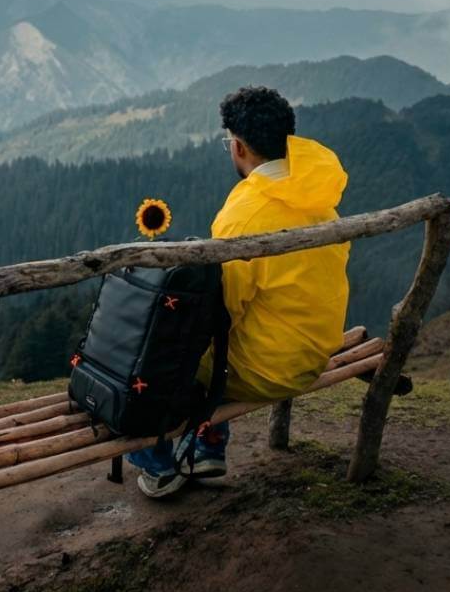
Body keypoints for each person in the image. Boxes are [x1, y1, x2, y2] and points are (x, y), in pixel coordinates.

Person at [128, 86, 351, 498]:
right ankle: (206, 445)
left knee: (146, 362)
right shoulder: (318, 194)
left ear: (239, 146)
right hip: (317, 347)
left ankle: (159, 467)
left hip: (269, 367)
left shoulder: (246, 213)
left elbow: (217, 313)